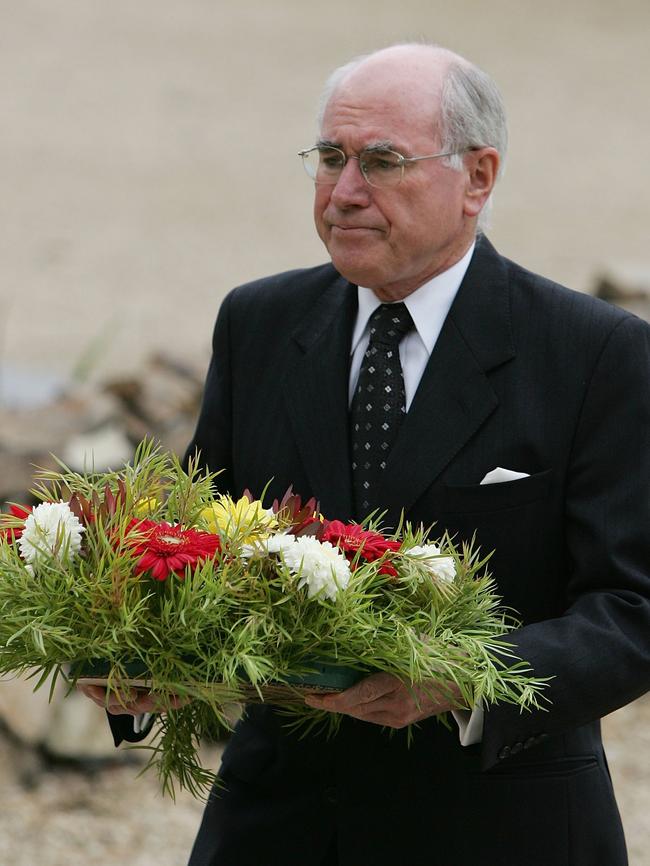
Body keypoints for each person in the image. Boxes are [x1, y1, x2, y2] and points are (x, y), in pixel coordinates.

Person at [82, 43, 650, 866]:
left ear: (479, 178)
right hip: (277, 825)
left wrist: (455, 679)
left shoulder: (594, 353)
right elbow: (202, 549)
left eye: (382, 161)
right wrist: (146, 659)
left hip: (498, 827)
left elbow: (632, 609)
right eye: (329, 158)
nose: (344, 192)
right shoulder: (258, 324)